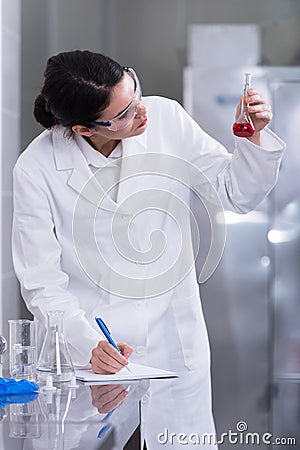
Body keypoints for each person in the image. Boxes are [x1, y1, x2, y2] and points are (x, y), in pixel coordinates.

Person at [12, 50, 285, 448]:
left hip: (171, 346)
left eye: (135, 91)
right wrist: (90, 345)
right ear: (85, 129)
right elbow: (42, 283)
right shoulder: (36, 168)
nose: (141, 112)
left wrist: (255, 136)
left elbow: (234, 193)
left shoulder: (167, 119)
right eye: (123, 114)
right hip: (92, 359)